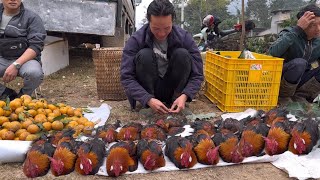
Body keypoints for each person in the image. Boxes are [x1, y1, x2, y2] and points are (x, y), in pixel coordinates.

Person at [121, 0, 203, 114]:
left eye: (166, 28)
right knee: (144, 55)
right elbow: (127, 77)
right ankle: (150, 106)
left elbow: (197, 74)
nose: (161, 34)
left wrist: (185, 95)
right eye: (156, 28)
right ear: (148, 21)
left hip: (174, 88)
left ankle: (176, 102)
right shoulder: (136, 39)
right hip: (150, 91)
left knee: (182, 54)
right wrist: (147, 99)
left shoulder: (184, 37)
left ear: (172, 21)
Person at [269, 4, 320, 104]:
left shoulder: (318, 41)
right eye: (314, 25)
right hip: (281, 80)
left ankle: (300, 98)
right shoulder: (290, 33)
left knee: (303, 65)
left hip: (301, 80)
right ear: (304, 23)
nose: (318, 28)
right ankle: (283, 98)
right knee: (299, 63)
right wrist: (298, 29)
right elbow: (272, 52)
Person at [0, 0, 46, 100]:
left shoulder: (32, 18)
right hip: (1, 58)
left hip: (25, 60)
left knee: (34, 73)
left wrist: (16, 65)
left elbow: (36, 46)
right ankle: (6, 94)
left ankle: (23, 97)